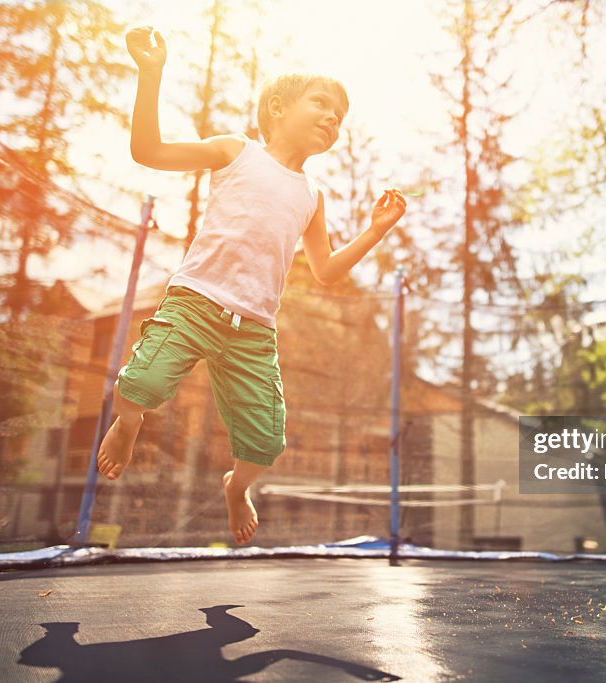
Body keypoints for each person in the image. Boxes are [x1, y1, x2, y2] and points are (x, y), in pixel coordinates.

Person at [96, 26, 407, 545]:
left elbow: (327, 271)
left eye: (340, 118)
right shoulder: (235, 150)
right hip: (196, 302)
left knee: (266, 443)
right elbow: (147, 150)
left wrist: (374, 232)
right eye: (322, 104)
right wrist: (150, 74)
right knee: (140, 387)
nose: (333, 119)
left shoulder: (312, 195)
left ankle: (236, 488)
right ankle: (128, 426)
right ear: (278, 107)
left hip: (254, 330)